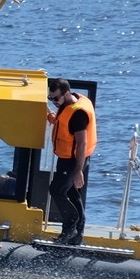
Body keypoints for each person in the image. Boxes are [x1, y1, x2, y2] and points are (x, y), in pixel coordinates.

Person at [47, 78, 96, 245]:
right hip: (65, 157)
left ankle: (71, 227)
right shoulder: (68, 103)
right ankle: (77, 234)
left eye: (55, 98)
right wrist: (51, 116)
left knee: (57, 190)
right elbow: (63, 123)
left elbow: (82, 143)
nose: (53, 102)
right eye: (50, 98)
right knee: (71, 193)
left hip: (74, 160)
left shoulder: (78, 114)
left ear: (66, 94)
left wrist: (78, 170)